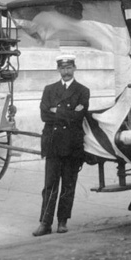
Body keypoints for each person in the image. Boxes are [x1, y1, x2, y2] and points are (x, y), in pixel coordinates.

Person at [33, 54, 90, 237]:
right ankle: (45, 223)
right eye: (62, 68)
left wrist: (56, 110)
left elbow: (79, 117)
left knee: (68, 184)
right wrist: (69, 112)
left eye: (69, 68)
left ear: (74, 68)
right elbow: (44, 115)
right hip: (53, 143)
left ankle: (63, 221)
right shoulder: (49, 89)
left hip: (72, 144)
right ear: (58, 69)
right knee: (50, 185)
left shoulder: (83, 91)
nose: (66, 72)